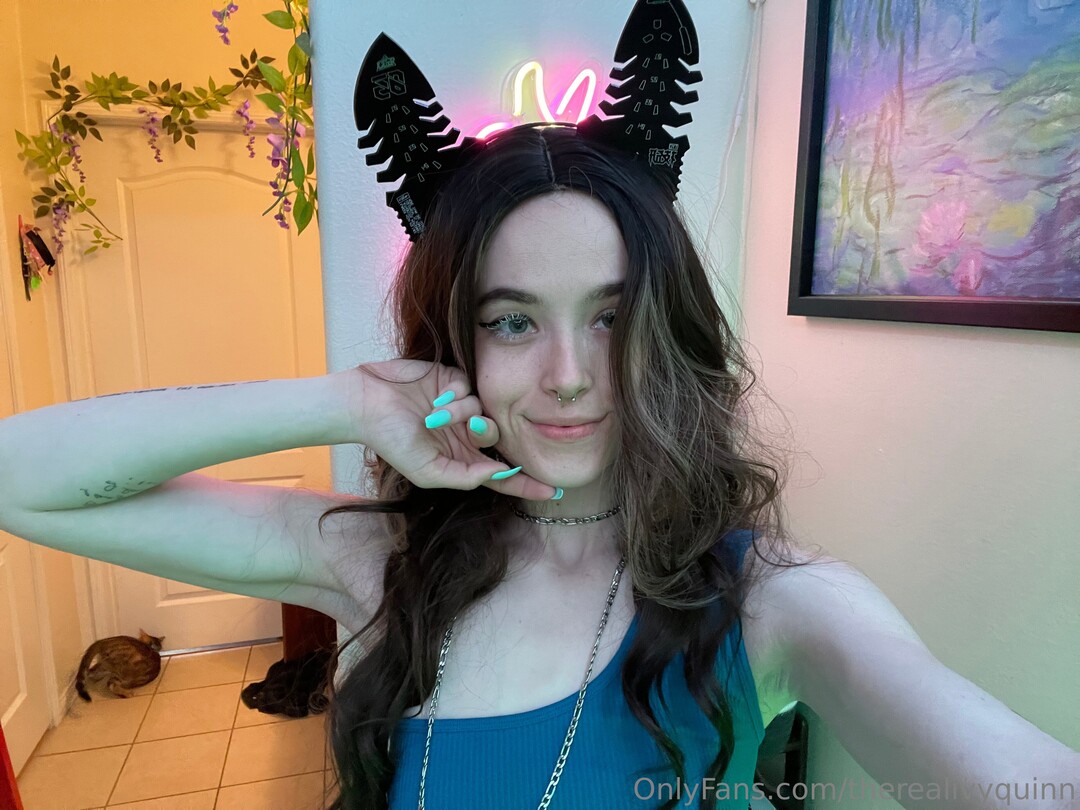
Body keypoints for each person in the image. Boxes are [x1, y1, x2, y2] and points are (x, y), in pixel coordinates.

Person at [1, 121, 1077, 810]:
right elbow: (19, 476)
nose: (568, 376)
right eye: (512, 321)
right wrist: (345, 400)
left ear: (671, 332)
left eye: (611, 315)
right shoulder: (374, 562)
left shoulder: (772, 603)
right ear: (456, 345)